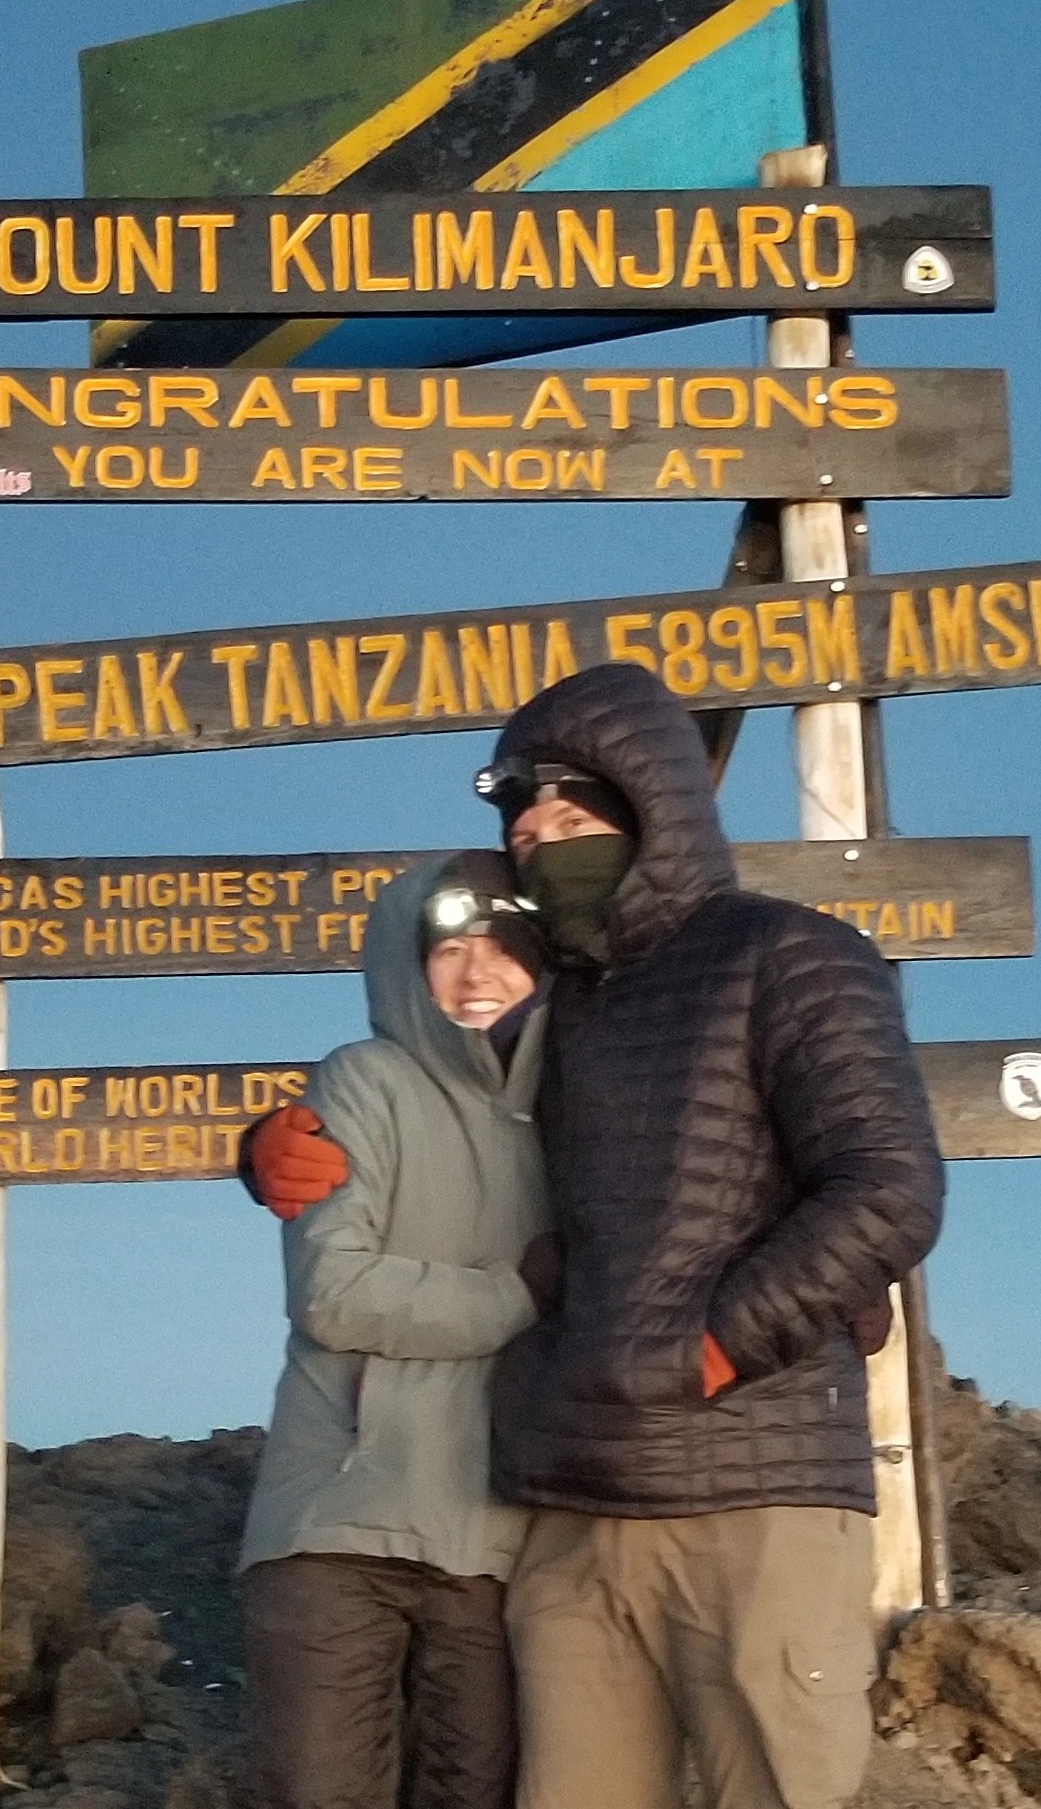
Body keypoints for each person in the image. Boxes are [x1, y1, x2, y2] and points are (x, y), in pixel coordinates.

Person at [248, 663, 947, 1809]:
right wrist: (260, 1148)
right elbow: (456, 1098)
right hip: (571, 1514)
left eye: (573, 825)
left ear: (654, 813)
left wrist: (709, 1349)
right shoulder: (562, 1009)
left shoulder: (786, 952)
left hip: (750, 1493)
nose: (541, 849)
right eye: (525, 835)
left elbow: (885, 1188)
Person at [236, 850, 561, 1809]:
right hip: (338, 1528)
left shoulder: (580, 1103)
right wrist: (519, 1297)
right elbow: (334, 1291)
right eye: (449, 949)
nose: (477, 972)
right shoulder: (363, 1081)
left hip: (501, 1546)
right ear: (403, 966)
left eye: (504, 947)